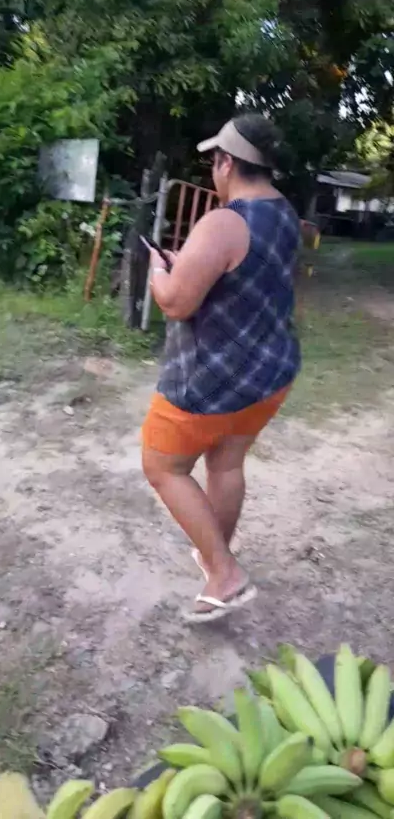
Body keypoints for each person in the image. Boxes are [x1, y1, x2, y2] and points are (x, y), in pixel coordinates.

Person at [141, 114, 301, 624]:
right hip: (269, 374)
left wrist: (160, 271)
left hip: (208, 383)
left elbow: (175, 303)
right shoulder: (285, 213)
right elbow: (240, 277)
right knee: (226, 465)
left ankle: (224, 573)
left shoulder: (224, 222)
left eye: (214, 161)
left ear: (226, 163)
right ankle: (216, 555)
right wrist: (188, 266)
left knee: (162, 466)